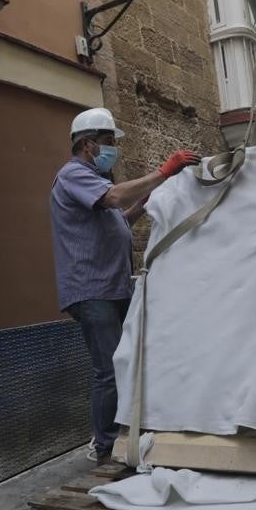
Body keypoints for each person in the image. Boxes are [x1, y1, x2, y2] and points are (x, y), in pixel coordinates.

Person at [49, 107, 200, 464]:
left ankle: (124, 434)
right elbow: (116, 198)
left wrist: (146, 203)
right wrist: (163, 171)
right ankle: (103, 448)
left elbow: (120, 217)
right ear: (87, 145)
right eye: (108, 142)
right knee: (109, 370)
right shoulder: (74, 174)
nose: (113, 148)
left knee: (126, 363)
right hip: (92, 290)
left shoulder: (92, 180)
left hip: (112, 287)